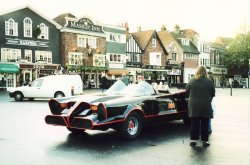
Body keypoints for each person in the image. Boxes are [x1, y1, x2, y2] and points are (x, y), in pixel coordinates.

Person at [186, 66, 215, 147]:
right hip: (205, 105)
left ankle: (193, 140)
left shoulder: (191, 80)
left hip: (194, 106)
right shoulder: (209, 81)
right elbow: (213, 93)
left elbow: (187, 91)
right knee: (205, 123)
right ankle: (205, 141)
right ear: (205, 72)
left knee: (194, 123)